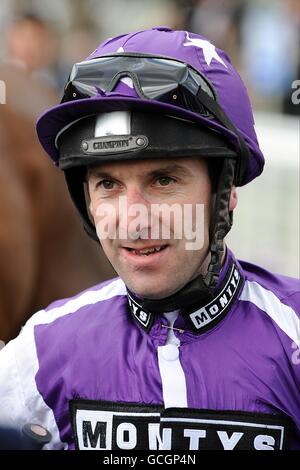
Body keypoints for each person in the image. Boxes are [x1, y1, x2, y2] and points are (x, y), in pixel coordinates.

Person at [0, 27, 299, 451]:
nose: (132, 221)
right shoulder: (39, 350)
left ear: (225, 192)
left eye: (163, 180)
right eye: (107, 184)